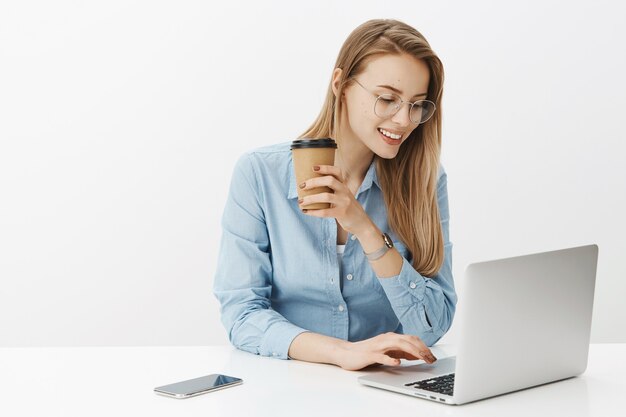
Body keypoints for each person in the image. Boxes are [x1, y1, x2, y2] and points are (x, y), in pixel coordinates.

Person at [212, 18, 457, 371]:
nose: (404, 120)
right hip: (285, 382)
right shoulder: (259, 173)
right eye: (387, 99)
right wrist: (342, 353)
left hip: (385, 388)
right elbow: (241, 314)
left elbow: (432, 325)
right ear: (340, 84)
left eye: (417, 104)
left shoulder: (426, 181)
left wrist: (366, 229)